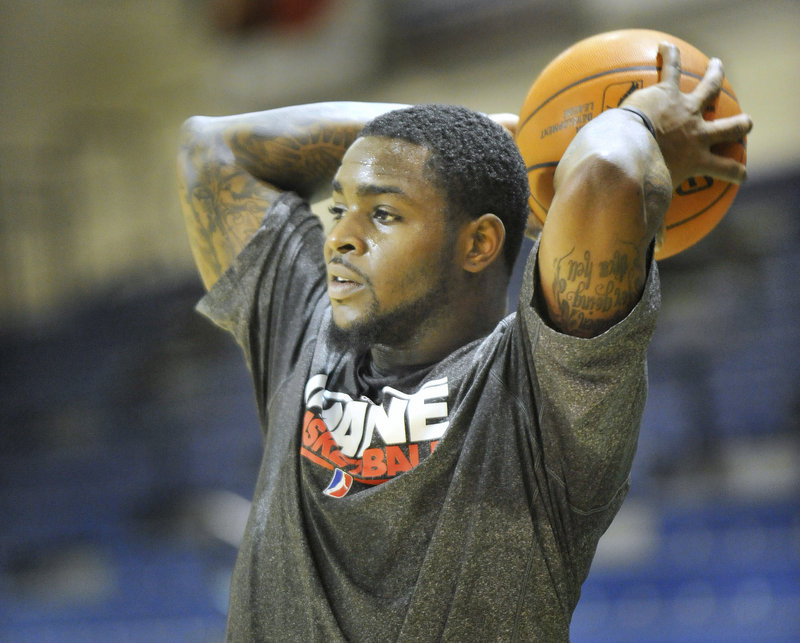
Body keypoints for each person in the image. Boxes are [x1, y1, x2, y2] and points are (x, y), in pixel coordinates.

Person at [177, 43, 751, 641]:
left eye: (383, 214)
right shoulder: (303, 331)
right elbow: (211, 149)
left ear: (478, 245)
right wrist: (477, 134)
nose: (339, 237)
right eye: (340, 207)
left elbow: (607, 175)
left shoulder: (538, 391)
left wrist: (641, 124)